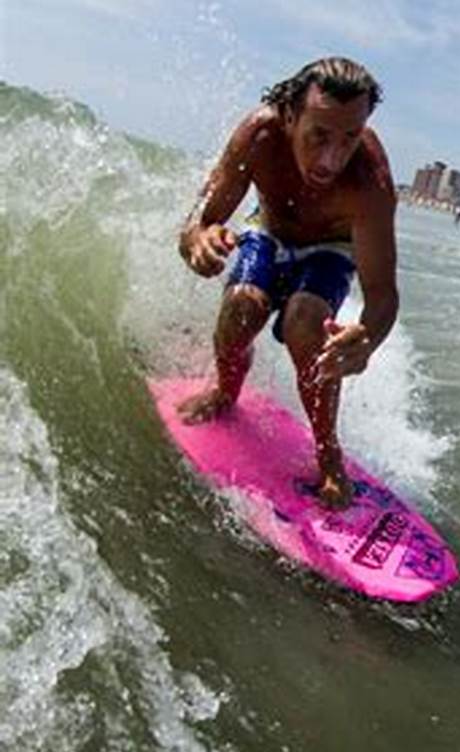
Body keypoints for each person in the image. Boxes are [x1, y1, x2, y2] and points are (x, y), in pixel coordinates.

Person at [175, 57, 398, 509]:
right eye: (319, 135)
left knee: (305, 321)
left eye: (349, 138)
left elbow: (383, 296)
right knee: (241, 308)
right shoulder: (258, 137)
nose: (332, 158)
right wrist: (199, 240)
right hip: (269, 231)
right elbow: (201, 221)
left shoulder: (369, 182)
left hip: (330, 250)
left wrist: (367, 339)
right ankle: (225, 390)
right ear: (291, 115)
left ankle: (328, 451)